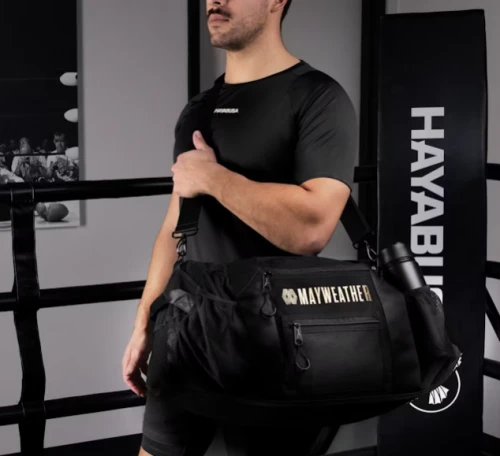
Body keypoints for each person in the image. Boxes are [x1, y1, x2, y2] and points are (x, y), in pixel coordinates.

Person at [122, 0, 357, 454]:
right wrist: (144, 321)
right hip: (186, 331)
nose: (215, 0)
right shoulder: (199, 108)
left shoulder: (318, 98)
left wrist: (214, 178)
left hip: (273, 345)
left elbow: (312, 228)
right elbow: (176, 223)